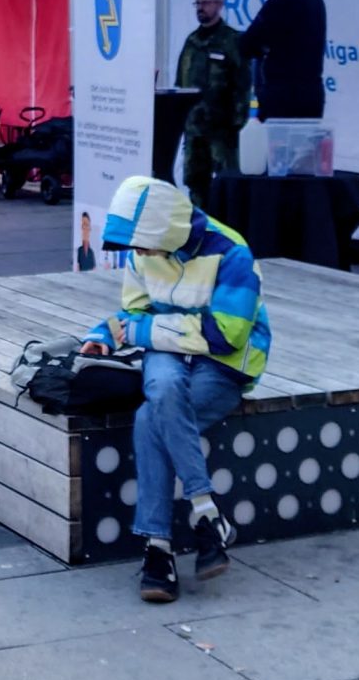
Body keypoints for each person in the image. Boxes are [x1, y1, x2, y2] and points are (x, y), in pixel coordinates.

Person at [78, 175, 270, 604]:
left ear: (166, 229)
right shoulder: (144, 251)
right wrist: (105, 333)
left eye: (143, 242)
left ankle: (157, 549)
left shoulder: (232, 252)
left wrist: (143, 330)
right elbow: (134, 310)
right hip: (169, 349)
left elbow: (227, 336)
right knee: (162, 390)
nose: (138, 252)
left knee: (151, 416)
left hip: (224, 364)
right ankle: (207, 513)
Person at [237, 0, 328, 122]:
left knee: (279, 149)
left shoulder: (278, 6)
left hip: (282, 100)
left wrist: (262, 48)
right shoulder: (317, 2)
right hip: (312, 96)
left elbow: (246, 46)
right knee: (307, 149)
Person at [174, 0, 246, 209]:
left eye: (206, 3)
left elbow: (243, 86)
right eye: (198, 3)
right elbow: (180, 83)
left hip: (222, 131)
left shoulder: (232, 41)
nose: (200, 8)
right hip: (194, 131)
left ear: (220, 4)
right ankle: (200, 235)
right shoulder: (191, 42)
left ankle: (228, 236)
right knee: (196, 185)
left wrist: (237, 124)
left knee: (228, 186)